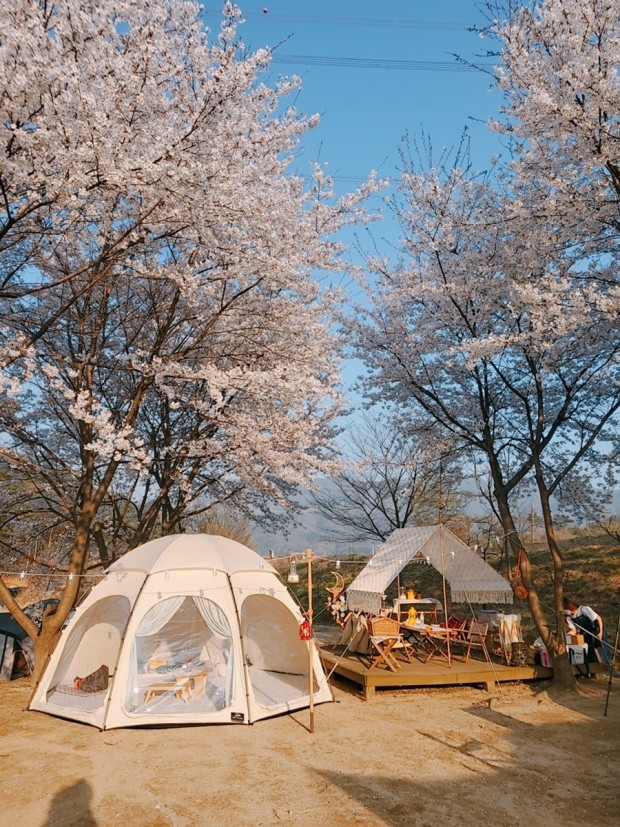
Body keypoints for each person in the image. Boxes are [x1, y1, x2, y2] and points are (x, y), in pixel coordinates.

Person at [563, 599, 609, 667]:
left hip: (597, 629)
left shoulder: (584, 609)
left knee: (600, 648)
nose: (565, 611)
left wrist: (600, 633)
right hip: (586, 632)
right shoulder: (569, 617)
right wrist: (568, 634)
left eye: (565, 609)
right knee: (589, 649)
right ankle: (593, 666)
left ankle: (606, 665)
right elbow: (574, 630)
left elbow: (598, 619)